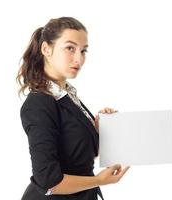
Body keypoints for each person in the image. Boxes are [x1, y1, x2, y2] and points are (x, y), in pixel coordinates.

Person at [16, 17, 130, 200]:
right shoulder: (39, 103)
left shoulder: (67, 96)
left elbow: (76, 156)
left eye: (83, 50)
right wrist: (99, 180)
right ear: (47, 49)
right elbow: (48, 180)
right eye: (70, 48)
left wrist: (100, 131)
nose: (79, 58)